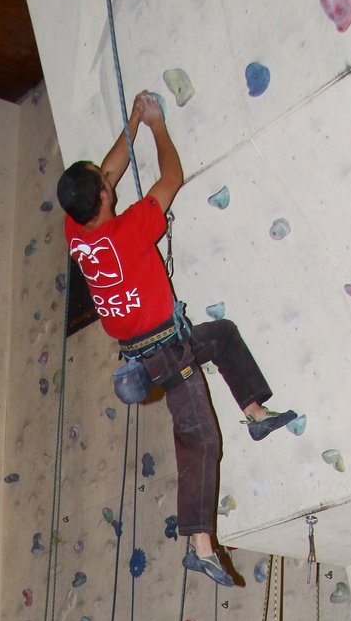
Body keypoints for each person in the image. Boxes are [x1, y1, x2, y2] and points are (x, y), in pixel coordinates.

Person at [58, 92, 297, 586]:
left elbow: (108, 169)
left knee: (224, 336)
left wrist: (132, 122)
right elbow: (171, 178)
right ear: (103, 196)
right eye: (106, 182)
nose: (110, 179)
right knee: (199, 437)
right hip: (165, 354)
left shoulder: (77, 232)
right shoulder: (129, 230)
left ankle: (254, 412)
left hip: (160, 346)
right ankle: (199, 545)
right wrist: (158, 127)